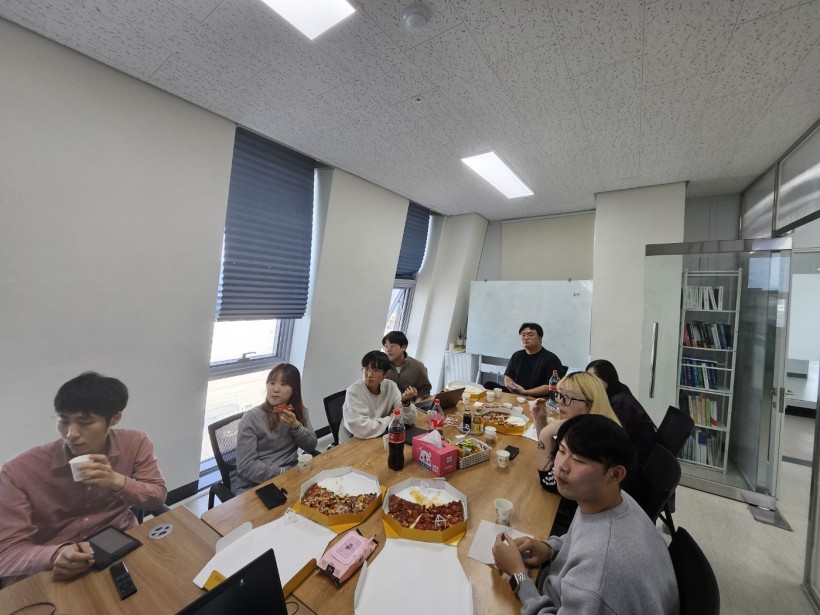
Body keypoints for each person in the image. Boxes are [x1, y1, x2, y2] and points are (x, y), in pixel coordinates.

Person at [492, 414, 679, 615]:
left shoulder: (600, 572)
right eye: (561, 450)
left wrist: (518, 575)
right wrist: (549, 548)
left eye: (578, 460)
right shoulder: (611, 499)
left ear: (615, 475)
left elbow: (595, 568)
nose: (562, 466)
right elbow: (583, 537)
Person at [0, 372, 167, 583]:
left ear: (114, 419)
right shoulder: (18, 471)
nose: (71, 434)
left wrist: (117, 481)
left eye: (85, 422)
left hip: (117, 543)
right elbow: (6, 553)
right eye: (63, 421)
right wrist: (55, 554)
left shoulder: (135, 443)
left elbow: (157, 497)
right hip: (52, 565)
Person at [531, 371, 622, 493]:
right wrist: (540, 420)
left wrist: (545, 433)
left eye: (567, 398)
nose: (560, 401)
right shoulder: (581, 427)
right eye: (559, 395)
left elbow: (550, 482)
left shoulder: (597, 438)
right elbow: (552, 455)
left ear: (590, 406)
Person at [235, 364, 317, 493]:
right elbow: (246, 466)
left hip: (290, 476)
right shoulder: (252, 417)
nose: (276, 389)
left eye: (283, 384)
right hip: (256, 483)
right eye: (272, 383)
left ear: (294, 390)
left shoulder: (298, 411)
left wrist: (296, 426)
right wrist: (283, 472)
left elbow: (311, 445)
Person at [587, 359, 657, 465]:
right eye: (589, 377)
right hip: (629, 452)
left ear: (608, 377)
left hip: (637, 459)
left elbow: (613, 437)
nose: (592, 382)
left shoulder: (621, 401)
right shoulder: (613, 392)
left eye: (596, 377)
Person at [340, 350, 417, 442]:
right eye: (366, 369)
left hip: (380, 434)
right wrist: (390, 418)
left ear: (386, 374)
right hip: (354, 440)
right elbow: (362, 429)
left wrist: (405, 403)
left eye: (375, 370)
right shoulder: (354, 392)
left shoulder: (390, 386)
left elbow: (409, 420)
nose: (369, 375)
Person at [502, 323, 562, 397]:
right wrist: (513, 390)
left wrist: (526, 392)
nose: (525, 338)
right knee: (490, 385)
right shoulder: (517, 355)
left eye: (530, 335)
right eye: (523, 335)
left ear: (540, 338)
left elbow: (549, 386)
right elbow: (508, 377)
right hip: (516, 395)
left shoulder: (552, 359)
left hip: (538, 399)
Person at [382, 331, 432, 399]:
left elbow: (424, 389)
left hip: (409, 404)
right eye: (386, 346)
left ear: (403, 347)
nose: (388, 349)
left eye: (392, 346)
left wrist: (417, 401)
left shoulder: (418, 367)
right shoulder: (381, 366)